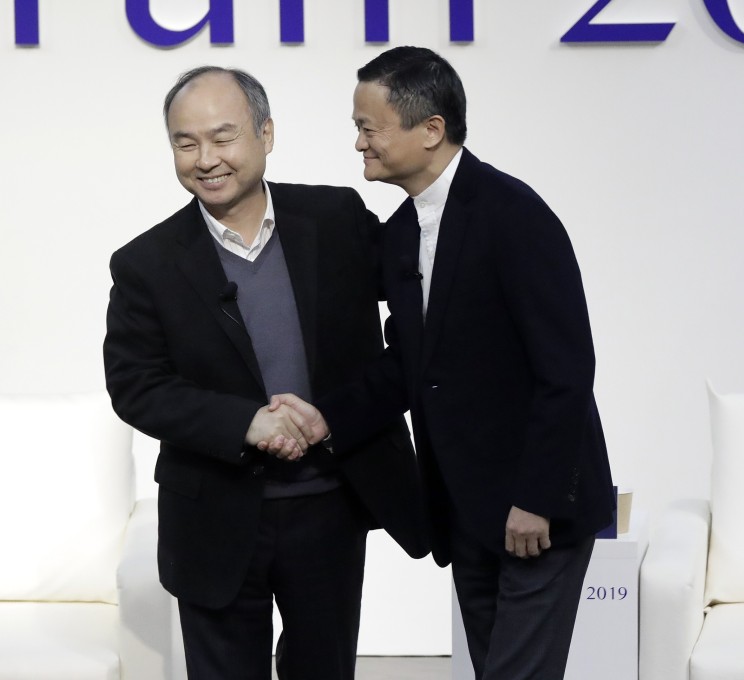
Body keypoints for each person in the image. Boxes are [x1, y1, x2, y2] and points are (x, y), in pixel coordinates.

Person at [272, 46, 615, 680]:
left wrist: (537, 499)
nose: (359, 144)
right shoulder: (404, 231)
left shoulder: (514, 216)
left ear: (431, 129)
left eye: (368, 128)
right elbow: (410, 365)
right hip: (467, 512)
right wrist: (326, 419)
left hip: (536, 512)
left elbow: (567, 372)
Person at [102, 66, 428, 680]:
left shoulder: (335, 217)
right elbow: (136, 386)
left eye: (222, 137)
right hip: (213, 517)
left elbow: (417, 314)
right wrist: (245, 423)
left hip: (330, 504)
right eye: (185, 143)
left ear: (266, 133)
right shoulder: (146, 262)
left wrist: (337, 415)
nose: (205, 159)